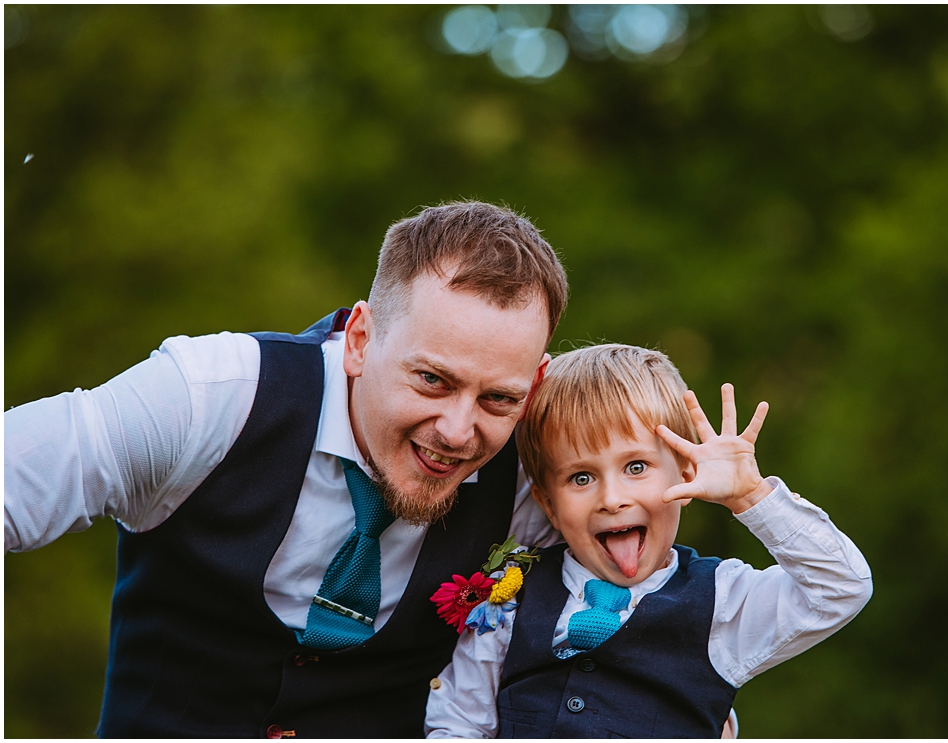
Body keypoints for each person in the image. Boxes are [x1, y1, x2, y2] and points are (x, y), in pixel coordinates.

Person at [4, 201, 569, 738]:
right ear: (360, 340)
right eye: (432, 380)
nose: (456, 430)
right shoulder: (211, 397)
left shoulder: (540, 477)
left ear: (534, 385)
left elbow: (638, 598)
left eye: (498, 398)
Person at [424, 344, 873, 738]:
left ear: (687, 473)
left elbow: (841, 587)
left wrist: (749, 495)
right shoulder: (510, 599)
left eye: (636, 467)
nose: (613, 498)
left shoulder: (721, 602)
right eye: (581, 477)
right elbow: (461, 722)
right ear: (548, 503)